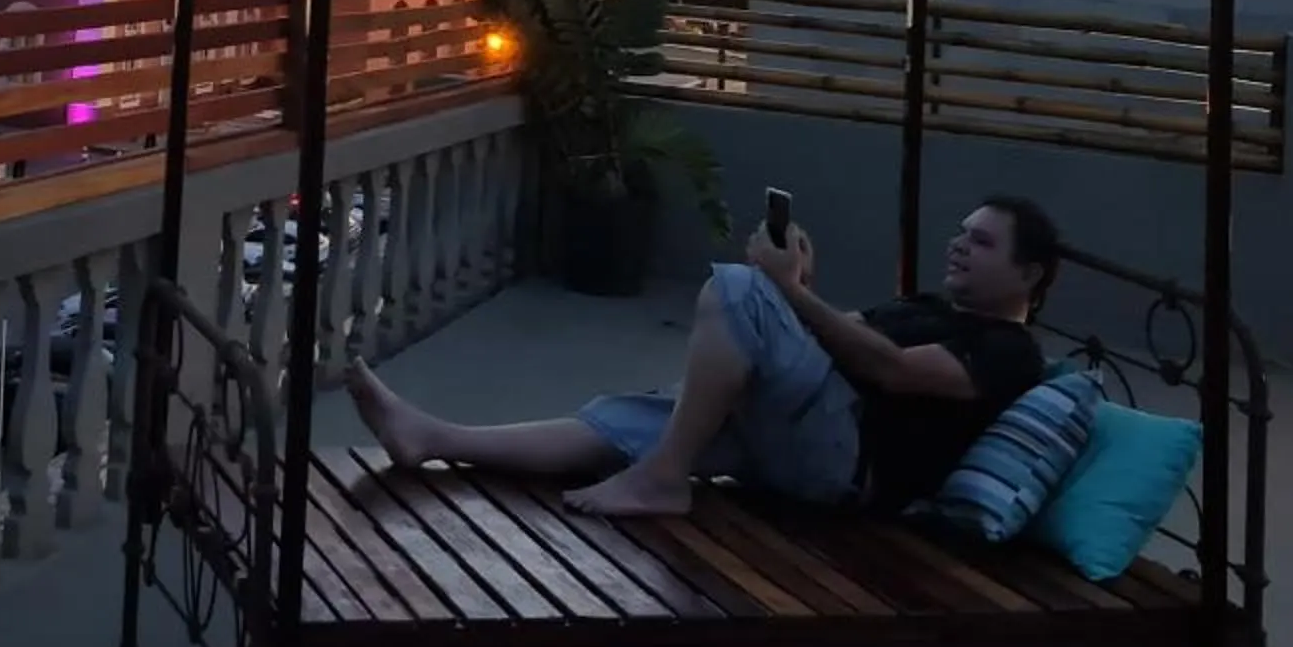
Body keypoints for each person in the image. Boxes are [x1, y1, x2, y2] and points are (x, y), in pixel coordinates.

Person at [344, 195, 1061, 521]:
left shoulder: (1009, 350)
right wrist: (800, 295)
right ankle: (431, 437)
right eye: (962, 233)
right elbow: (837, 334)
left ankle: (660, 480)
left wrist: (777, 292)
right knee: (637, 417)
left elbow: (893, 371)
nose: (959, 246)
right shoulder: (928, 306)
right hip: (808, 433)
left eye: (983, 243)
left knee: (739, 286)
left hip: (849, 466)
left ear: (1029, 275)